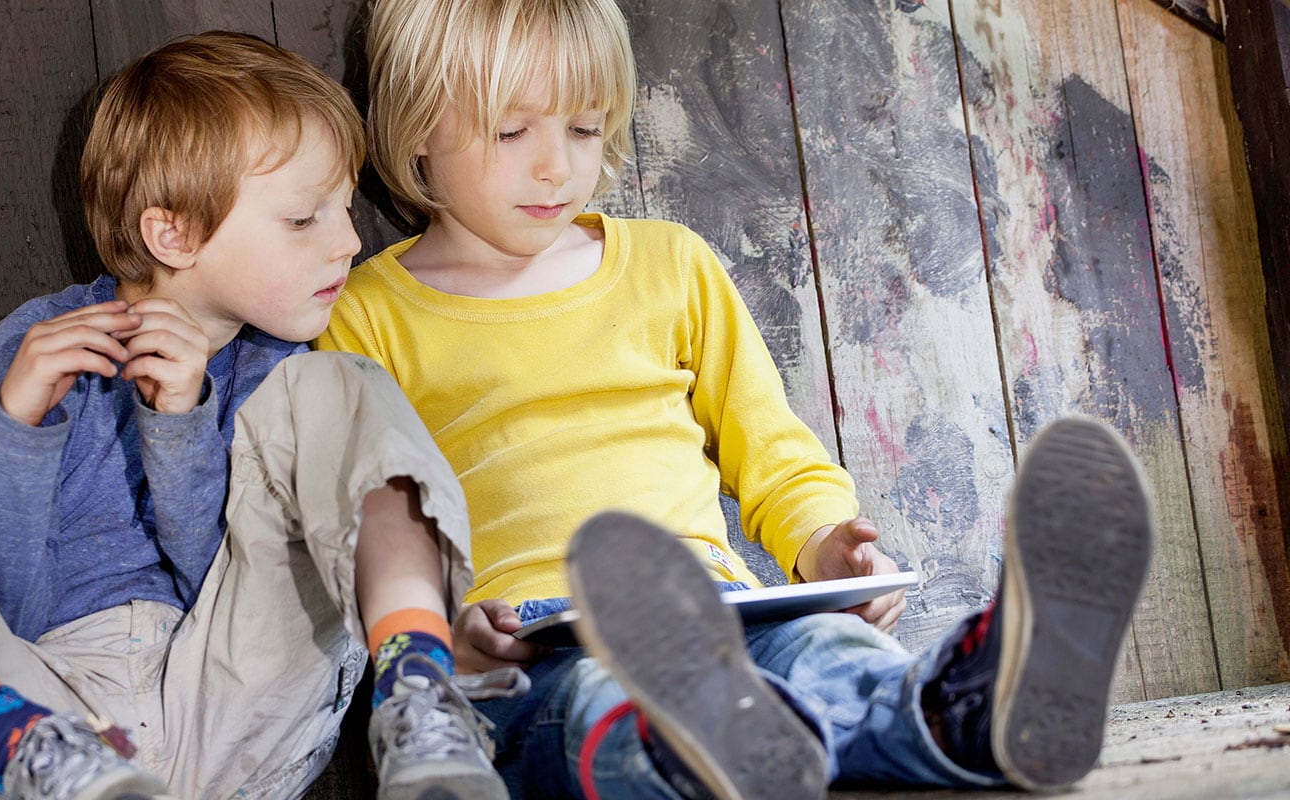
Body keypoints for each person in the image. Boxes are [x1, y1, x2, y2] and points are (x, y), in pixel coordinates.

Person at [316, 0, 1154, 797]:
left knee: (828, 652)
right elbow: (369, 529)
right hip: (527, 642)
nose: (557, 165)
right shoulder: (365, 317)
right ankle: (695, 752)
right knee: (599, 700)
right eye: (512, 130)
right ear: (419, 122)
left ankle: (967, 712)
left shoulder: (669, 266)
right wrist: (445, 635)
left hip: (721, 607)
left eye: (582, 127)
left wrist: (829, 549)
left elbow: (772, 449)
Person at [0, 31, 506, 800]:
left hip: (237, 704)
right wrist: (16, 429)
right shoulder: (23, 355)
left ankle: (421, 688)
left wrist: (181, 428)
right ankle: (14, 737)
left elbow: (227, 589)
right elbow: (0, 609)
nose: (347, 242)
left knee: (346, 385)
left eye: (345, 208)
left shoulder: (285, 378)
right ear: (171, 232)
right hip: (49, 714)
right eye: (305, 219)